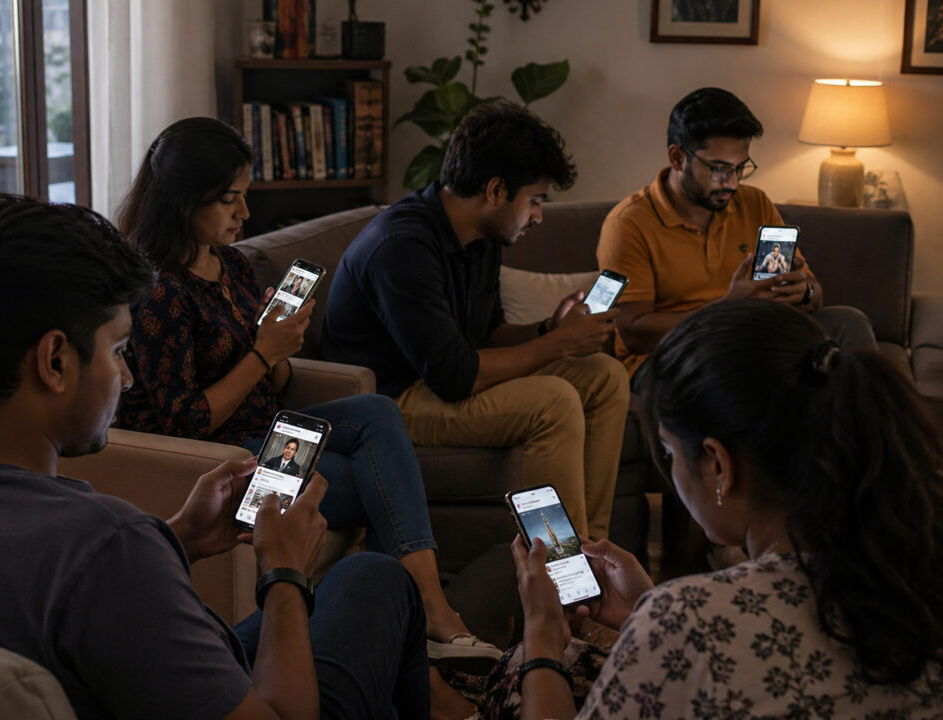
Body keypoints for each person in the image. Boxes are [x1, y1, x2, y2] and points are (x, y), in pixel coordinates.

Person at [0, 193, 431, 719]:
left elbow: (63, 602)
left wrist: (181, 535)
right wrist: (284, 573)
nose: (127, 377)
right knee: (371, 578)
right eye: (118, 351)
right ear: (54, 361)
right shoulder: (108, 545)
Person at [116, 116, 500, 679]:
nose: (245, 214)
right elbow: (186, 422)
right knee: (374, 476)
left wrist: (280, 344)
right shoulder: (160, 292)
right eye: (229, 200)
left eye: (245, 197)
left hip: (268, 430)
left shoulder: (232, 264)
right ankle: (429, 615)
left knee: (376, 410)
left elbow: (276, 386)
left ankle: (423, 611)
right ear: (181, 201)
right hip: (225, 460)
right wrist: (261, 353)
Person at [497, 298, 943, 719]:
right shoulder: (913, 576)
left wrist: (540, 633)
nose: (671, 470)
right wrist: (648, 616)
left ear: (719, 465)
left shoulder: (690, 622)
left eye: (670, 453)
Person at [322, 100, 630, 541]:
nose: (539, 215)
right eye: (535, 200)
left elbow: (490, 336)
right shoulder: (402, 248)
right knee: (554, 400)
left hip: (443, 378)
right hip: (391, 399)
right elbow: (455, 376)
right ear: (495, 190)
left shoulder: (482, 236)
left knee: (604, 375)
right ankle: (562, 576)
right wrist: (558, 345)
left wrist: (551, 330)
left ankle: (592, 552)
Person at [597, 87, 877, 385]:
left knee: (849, 322)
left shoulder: (755, 203)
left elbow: (814, 292)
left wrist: (803, 292)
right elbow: (634, 333)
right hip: (672, 355)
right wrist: (727, 308)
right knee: (750, 371)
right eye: (718, 169)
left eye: (740, 168)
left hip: (753, 339)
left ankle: (874, 430)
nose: (731, 183)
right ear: (678, 158)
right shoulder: (628, 224)